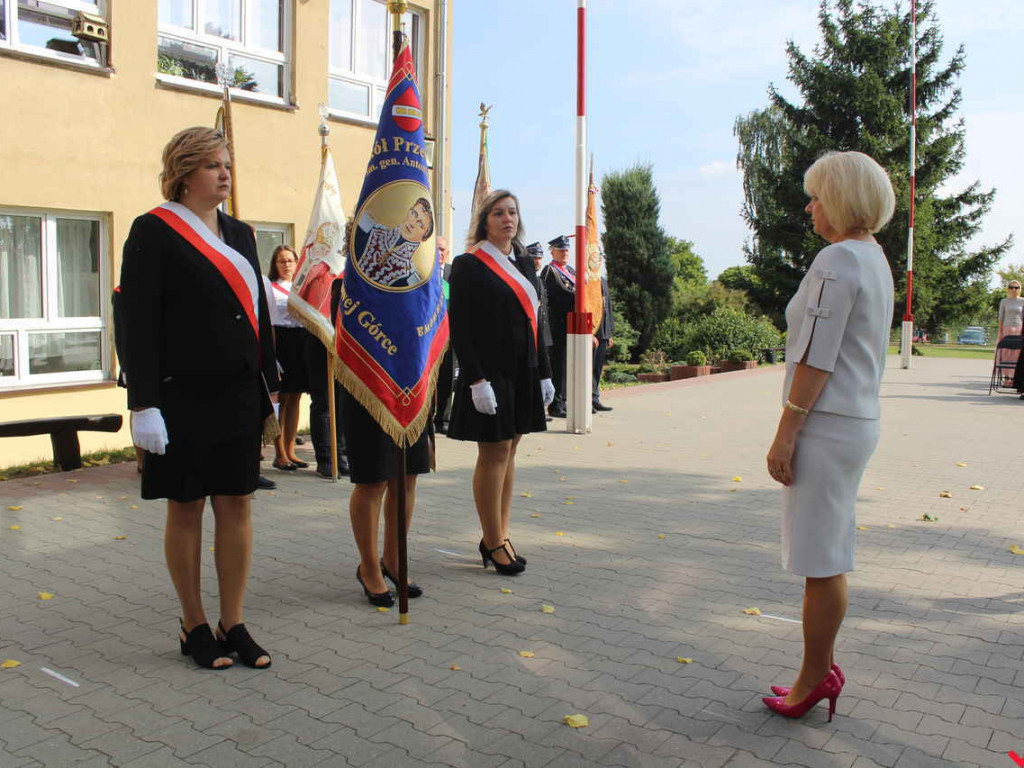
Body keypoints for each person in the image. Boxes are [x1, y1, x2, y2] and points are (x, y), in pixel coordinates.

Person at [119, 126, 279, 670]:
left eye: (227, 163)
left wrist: (269, 386)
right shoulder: (152, 231)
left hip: (236, 392)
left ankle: (233, 620)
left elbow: (257, 315)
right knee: (186, 507)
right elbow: (135, 324)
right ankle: (193, 623)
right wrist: (142, 404)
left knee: (236, 503)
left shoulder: (241, 234)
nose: (225, 173)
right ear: (184, 173)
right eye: (214, 164)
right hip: (177, 398)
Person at [762, 151, 895, 721]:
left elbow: (817, 358)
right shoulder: (872, 258)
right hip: (854, 421)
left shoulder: (836, 259)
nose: (810, 206)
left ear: (839, 200)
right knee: (827, 552)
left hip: (826, 423)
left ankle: (813, 677)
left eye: (817, 196)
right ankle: (822, 667)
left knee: (822, 559)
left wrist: (785, 434)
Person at [447, 191, 555, 575]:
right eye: (498, 213)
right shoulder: (468, 264)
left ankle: (501, 534)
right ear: (485, 220)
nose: (507, 218)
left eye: (512, 212)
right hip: (488, 374)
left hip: (522, 371)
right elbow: (459, 327)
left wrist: (544, 371)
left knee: (510, 453)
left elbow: (535, 322)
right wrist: (475, 379)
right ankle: (492, 542)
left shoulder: (524, 263)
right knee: (492, 455)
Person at [329, 282, 430, 606]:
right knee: (372, 482)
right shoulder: (346, 284)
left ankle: (394, 559)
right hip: (367, 391)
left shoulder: (418, 286)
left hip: (411, 392)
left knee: (407, 478)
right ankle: (369, 566)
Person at [264, 245, 310, 471]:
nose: (287, 265)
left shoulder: (302, 287)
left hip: (300, 341)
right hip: (280, 341)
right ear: (275, 264)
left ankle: (291, 450)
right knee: (280, 400)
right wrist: (271, 353)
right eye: (281, 261)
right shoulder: (271, 288)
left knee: (295, 398)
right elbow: (268, 322)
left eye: (290, 260)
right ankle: (279, 453)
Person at [353, 199, 433, 288]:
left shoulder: (410, 280)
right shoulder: (369, 228)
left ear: (424, 238)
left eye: (420, 225)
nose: (412, 223)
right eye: (413, 213)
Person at [540, 235, 575, 418]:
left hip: (571, 326)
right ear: (552, 251)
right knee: (558, 365)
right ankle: (556, 404)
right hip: (558, 326)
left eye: (567, 250)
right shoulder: (549, 271)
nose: (565, 253)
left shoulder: (571, 270)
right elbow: (558, 295)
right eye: (561, 250)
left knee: (568, 365)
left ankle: (564, 400)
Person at [434, 236, 455, 434]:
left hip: (450, 335)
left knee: (447, 379)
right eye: (436, 249)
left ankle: (444, 418)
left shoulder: (453, 272)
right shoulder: (422, 274)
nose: (439, 254)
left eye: (443, 250)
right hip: (428, 338)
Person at [592, 275, 615, 413]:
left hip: (603, 332)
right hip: (592, 332)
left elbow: (608, 307)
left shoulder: (603, 281)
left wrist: (610, 332)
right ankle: (586, 400)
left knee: (597, 368)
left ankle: (595, 398)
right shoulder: (586, 278)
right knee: (588, 368)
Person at [997, 281, 1023, 386]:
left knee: (1017, 355)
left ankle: (1014, 379)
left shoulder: (1022, 301)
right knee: (1006, 354)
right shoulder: (1004, 301)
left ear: (1019, 289)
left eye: (1016, 287)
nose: (1014, 289)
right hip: (1006, 329)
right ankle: (1006, 378)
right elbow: (1000, 317)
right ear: (1008, 289)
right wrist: (1000, 332)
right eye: (1011, 287)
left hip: (1019, 329)